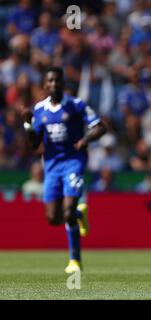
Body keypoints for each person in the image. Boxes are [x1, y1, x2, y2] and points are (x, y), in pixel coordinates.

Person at [21, 67, 107, 273]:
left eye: (57, 80)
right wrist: (27, 125)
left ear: (62, 83)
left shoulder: (76, 105)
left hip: (73, 162)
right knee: (53, 218)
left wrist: (86, 139)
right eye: (49, 81)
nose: (53, 84)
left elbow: (100, 126)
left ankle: (74, 260)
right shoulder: (39, 110)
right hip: (51, 166)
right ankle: (78, 213)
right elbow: (33, 145)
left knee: (67, 210)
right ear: (44, 85)